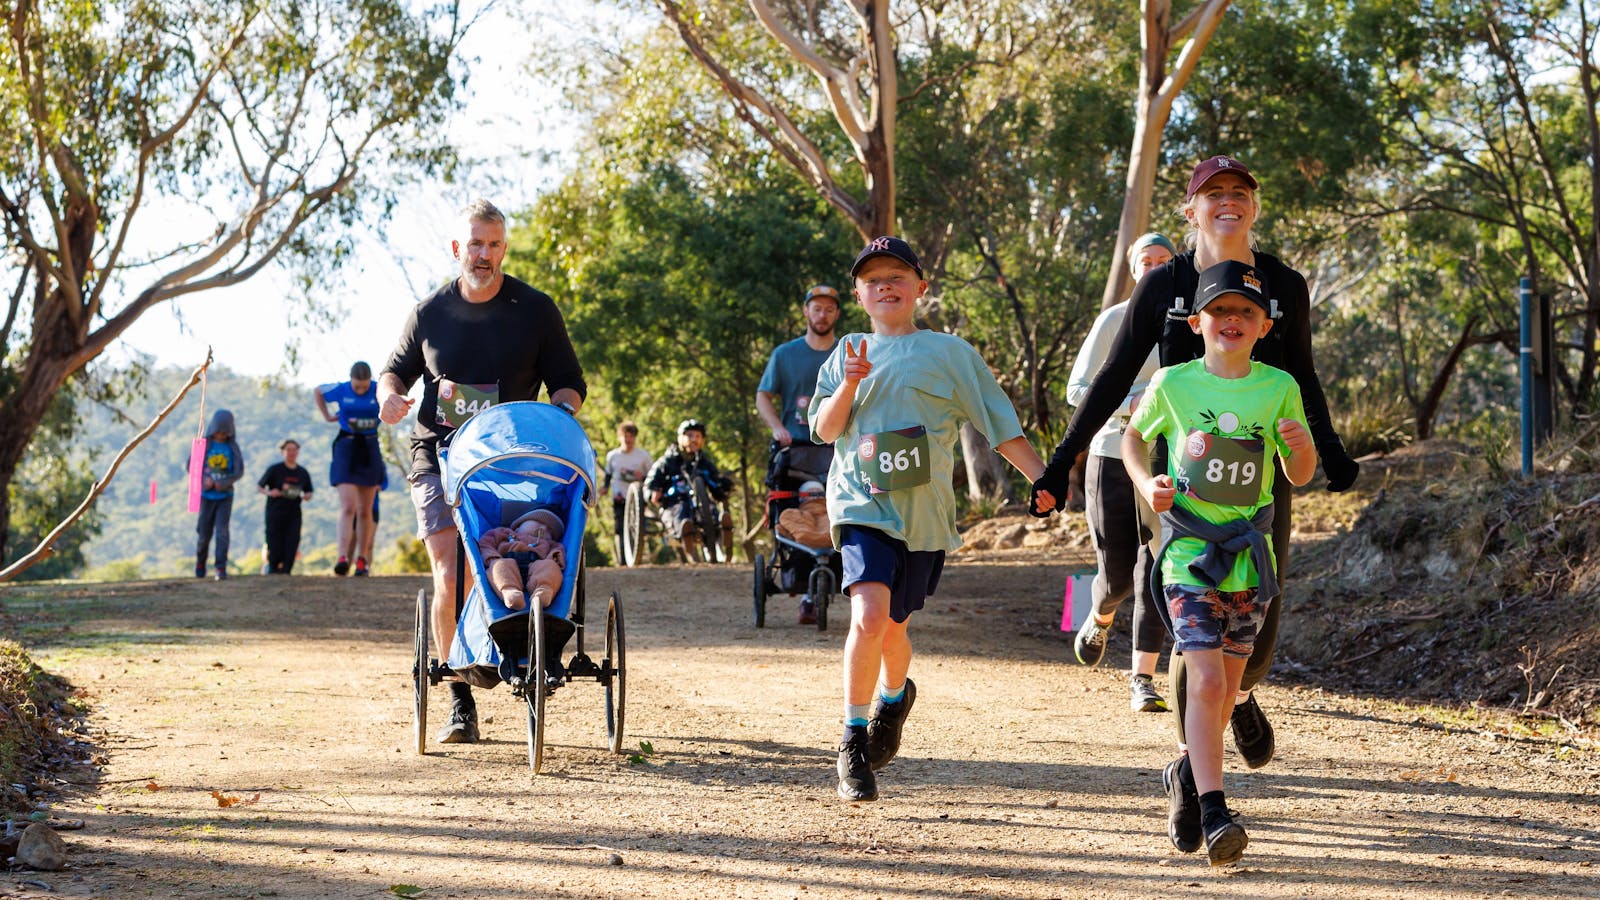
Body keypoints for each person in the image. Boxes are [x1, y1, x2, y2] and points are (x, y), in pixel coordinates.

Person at [1031, 156, 1361, 773]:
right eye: (1213, 194)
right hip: (1175, 488)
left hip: (1259, 487)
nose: (1227, 202)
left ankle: (1240, 693)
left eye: (1240, 192)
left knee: (1255, 638)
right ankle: (1192, 767)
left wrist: (1331, 448)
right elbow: (1114, 376)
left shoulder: (1284, 287)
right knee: (1192, 624)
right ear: (1191, 211)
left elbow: (1303, 376)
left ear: (1254, 208)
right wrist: (1058, 464)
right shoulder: (1164, 284)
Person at [812, 236, 1046, 803]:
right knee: (867, 616)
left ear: (921, 286)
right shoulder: (847, 348)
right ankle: (850, 740)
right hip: (859, 502)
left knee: (893, 626)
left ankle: (894, 698)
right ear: (859, 294)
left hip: (922, 515)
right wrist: (849, 382)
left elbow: (999, 423)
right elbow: (823, 430)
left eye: (897, 275)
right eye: (873, 279)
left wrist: (1045, 478)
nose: (885, 285)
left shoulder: (950, 353)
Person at [1122, 258, 1316, 865]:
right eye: (1221, 310)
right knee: (1204, 680)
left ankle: (1184, 773)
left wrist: (1303, 449)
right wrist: (1144, 480)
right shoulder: (1175, 383)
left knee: (1228, 689)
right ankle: (1215, 811)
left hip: (1249, 562)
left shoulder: (1279, 385)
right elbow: (1133, 435)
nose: (1233, 319)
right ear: (1198, 320)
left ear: (1263, 325)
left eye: (1246, 312)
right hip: (1188, 555)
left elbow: (1298, 474)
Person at [377, 198, 586, 746]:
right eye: (475, 244)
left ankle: (523, 645)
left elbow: (569, 381)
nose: (484, 254)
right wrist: (391, 399)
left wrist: (562, 411)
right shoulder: (430, 314)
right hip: (440, 457)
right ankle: (458, 696)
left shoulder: (536, 310)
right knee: (452, 566)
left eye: (493, 245)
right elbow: (392, 374)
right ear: (457, 249)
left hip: (510, 461)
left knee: (525, 552)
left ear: (504, 250)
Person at [1066, 232, 1176, 712]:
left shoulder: (1190, 324)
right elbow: (1077, 391)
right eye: (1145, 261)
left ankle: (1143, 678)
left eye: (1163, 261)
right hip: (1112, 452)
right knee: (1117, 575)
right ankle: (1100, 613)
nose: (1154, 268)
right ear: (1133, 270)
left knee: (1158, 567)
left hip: (1169, 459)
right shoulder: (1113, 321)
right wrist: (1134, 401)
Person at [757, 284, 843, 623]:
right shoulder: (785, 354)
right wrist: (777, 427)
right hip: (794, 450)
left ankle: (831, 581)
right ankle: (803, 584)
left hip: (837, 448)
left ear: (837, 314)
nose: (822, 315)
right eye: (816, 308)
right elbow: (763, 395)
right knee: (794, 513)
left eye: (829, 309)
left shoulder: (846, 352)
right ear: (806, 312)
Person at [316, 361, 385, 577]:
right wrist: (327, 415)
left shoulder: (378, 388)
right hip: (346, 447)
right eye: (358, 387)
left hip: (370, 446)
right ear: (351, 381)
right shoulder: (342, 389)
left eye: (365, 387)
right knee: (348, 506)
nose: (362, 390)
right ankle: (342, 557)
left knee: (366, 510)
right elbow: (318, 391)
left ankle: (362, 559)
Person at [644, 419, 733, 563]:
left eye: (698, 437)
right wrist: (653, 492)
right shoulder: (667, 461)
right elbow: (650, 482)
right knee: (681, 512)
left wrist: (724, 486)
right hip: (674, 503)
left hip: (700, 505)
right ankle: (686, 534)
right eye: (690, 436)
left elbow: (715, 481)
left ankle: (722, 533)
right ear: (681, 438)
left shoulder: (704, 462)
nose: (694, 440)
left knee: (712, 510)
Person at [192, 409, 244, 580]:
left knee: (222, 532)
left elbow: (239, 471)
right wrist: (204, 479)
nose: (221, 435)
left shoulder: (232, 447)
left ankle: (220, 568)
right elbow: (191, 466)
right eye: (219, 431)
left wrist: (223, 483)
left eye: (225, 432)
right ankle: (200, 563)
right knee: (203, 534)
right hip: (206, 497)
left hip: (225, 496)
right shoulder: (205, 445)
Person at [257, 439, 314, 574]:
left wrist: (307, 496)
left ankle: (287, 570)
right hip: (275, 512)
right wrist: (270, 492)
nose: (291, 453)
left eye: (294, 450)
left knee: (292, 540)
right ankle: (273, 568)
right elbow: (260, 486)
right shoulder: (274, 469)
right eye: (288, 450)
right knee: (274, 541)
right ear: (283, 452)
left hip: (294, 512)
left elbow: (309, 491)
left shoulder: (302, 472)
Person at [603, 421, 652, 562]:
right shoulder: (612, 456)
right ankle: (622, 560)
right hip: (619, 496)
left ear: (635, 438)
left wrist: (641, 477)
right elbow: (608, 474)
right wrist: (605, 488)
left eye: (631, 436)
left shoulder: (643, 456)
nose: (628, 440)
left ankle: (638, 557)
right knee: (620, 529)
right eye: (625, 436)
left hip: (638, 498)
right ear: (619, 437)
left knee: (638, 528)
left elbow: (652, 476)